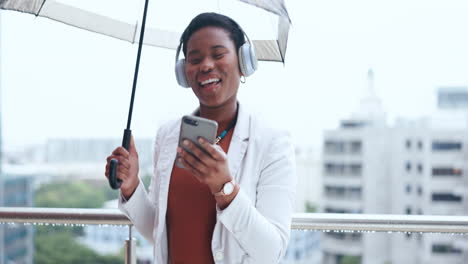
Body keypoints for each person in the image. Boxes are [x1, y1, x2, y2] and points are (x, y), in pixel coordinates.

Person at [105, 12, 296, 264]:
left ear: (244, 61)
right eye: (195, 59)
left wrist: (225, 189)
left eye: (218, 55)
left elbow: (272, 251)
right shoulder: (169, 135)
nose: (206, 65)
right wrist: (131, 187)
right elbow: (160, 232)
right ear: (183, 72)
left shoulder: (272, 141)